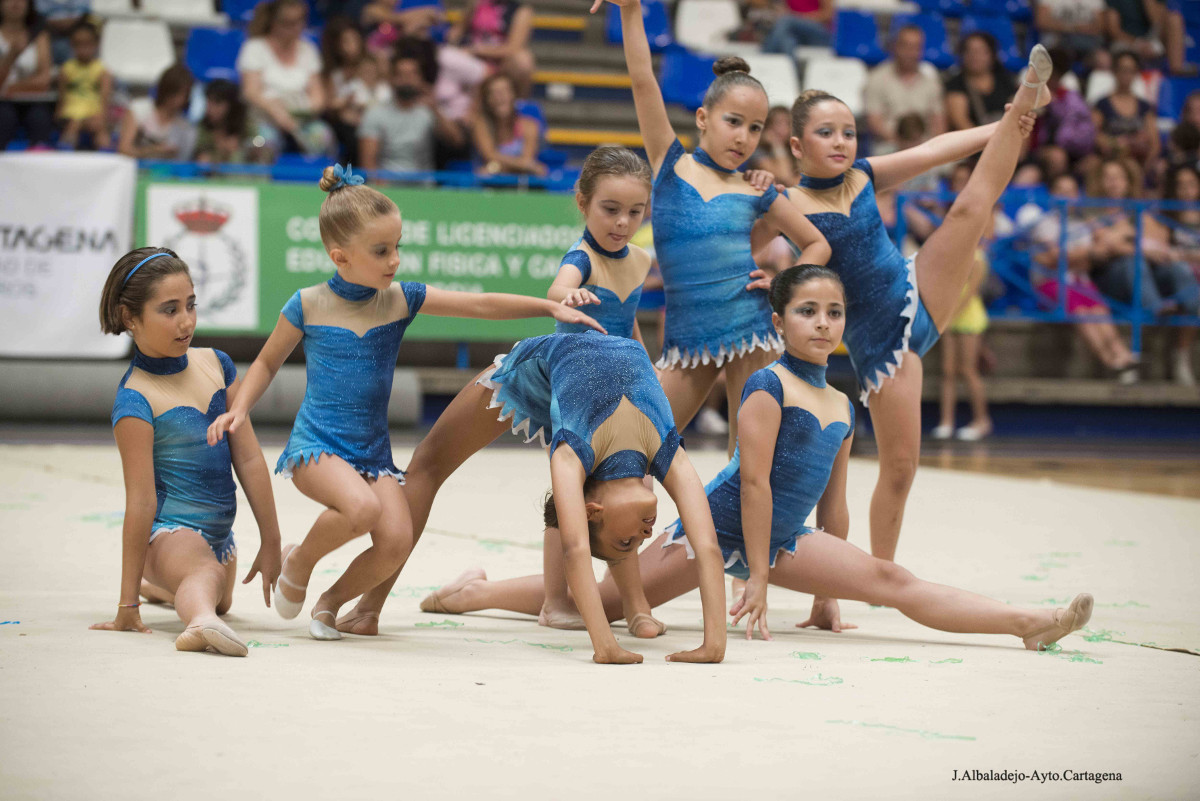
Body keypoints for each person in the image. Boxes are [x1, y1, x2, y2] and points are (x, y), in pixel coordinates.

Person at [419, 266, 1095, 653]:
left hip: (785, 538)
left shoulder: (842, 401)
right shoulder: (769, 387)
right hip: (723, 523)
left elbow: (834, 505)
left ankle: (1027, 624)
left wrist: (827, 590)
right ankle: (473, 594)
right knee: (600, 599)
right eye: (807, 311)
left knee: (890, 575)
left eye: (834, 312)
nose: (824, 323)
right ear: (781, 323)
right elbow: (753, 484)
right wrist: (762, 580)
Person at [205, 165, 606, 641]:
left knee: (396, 540)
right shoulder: (307, 304)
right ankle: (302, 559)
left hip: (371, 455)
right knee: (361, 510)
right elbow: (268, 363)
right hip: (318, 447)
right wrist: (241, 406)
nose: (394, 260)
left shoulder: (399, 300)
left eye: (397, 246)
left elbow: (477, 305)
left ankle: (332, 602)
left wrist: (547, 307)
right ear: (341, 256)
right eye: (381, 251)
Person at [752, 46, 1049, 561]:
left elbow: (937, 149)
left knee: (969, 213)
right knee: (901, 467)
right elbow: (741, 245)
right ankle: (878, 574)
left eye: (848, 131)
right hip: (879, 341)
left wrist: (1006, 124)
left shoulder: (864, 174)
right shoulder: (788, 204)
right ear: (797, 146)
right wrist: (757, 263)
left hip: (913, 289)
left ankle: (1026, 94)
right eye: (826, 133)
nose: (841, 142)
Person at [343, 330, 731, 664]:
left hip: (545, 371)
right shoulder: (666, 452)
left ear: (593, 511)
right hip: (551, 369)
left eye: (625, 541)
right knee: (427, 465)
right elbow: (707, 545)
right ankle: (368, 608)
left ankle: (371, 608)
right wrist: (711, 643)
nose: (645, 538)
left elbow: (575, 549)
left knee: (428, 463)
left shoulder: (571, 453)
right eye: (632, 544)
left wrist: (607, 646)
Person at [600, 0, 833, 460]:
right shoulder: (672, 166)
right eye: (733, 122)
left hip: (751, 329)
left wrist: (787, 286)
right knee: (635, 448)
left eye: (755, 128)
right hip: (688, 340)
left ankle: (743, 535)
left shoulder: (756, 189)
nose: (743, 137)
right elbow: (644, 80)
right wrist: (630, 11)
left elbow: (816, 242)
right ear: (704, 118)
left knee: (750, 462)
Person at [92, 247, 283, 657]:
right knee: (204, 575)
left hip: (219, 537)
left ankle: (170, 586)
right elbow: (141, 501)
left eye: (191, 305)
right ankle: (199, 623)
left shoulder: (216, 364)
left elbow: (248, 458)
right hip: (168, 532)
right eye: (169, 310)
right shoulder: (135, 399)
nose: (186, 321)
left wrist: (271, 538)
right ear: (130, 318)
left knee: (220, 593)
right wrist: (128, 606)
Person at [1017, 173, 1141, 383]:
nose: (1066, 196)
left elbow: (1082, 260)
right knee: (1083, 311)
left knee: (1100, 309)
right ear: (1052, 195)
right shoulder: (1043, 223)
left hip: (1079, 281)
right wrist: (1081, 253)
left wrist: (1070, 255)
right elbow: (1052, 259)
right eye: (1061, 191)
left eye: (1071, 191)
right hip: (1050, 284)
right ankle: (1111, 362)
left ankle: (1123, 355)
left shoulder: (1081, 225)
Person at [237, 0, 335, 159]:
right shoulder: (254, 48)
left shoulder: (308, 50)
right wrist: (276, 112)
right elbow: (251, 91)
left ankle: (316, 181)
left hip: (302, 119)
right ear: (274, 22)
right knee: (261, 143)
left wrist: (301, 115)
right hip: (265, 117)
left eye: (299, 22)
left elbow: (318, 96)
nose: (295, 28)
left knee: (323, 136)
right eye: (288, 23)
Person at [359, 50, 462, 173]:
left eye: (412, 74)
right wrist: (380, 188)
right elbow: (368, 163)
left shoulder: (428, 112)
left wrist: (435, 109)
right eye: (401, 74)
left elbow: (456, 140)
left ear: (420, 79)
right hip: (388, 186)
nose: (407, 79)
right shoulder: (375, 113)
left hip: (423, 187)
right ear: (392, 79)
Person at [932, 248, 992, 441]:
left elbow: (970, 292)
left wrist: (950, 316)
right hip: (950, 317)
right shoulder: (952, 252)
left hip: (968, 318)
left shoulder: (977, 258)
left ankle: (982, 421)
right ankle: (946, 422)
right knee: (948, 371)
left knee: (968, 370)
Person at [863, 24, 945, 155]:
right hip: (889, 146)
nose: (910, 53)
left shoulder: (931, 81)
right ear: (895, 47)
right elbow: (874, 122)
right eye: (905, 46)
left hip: (925, 146)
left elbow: (938, 122)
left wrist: (925, 145)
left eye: (915, 48)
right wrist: (903, 144)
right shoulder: (876, 78)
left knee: (956, 167)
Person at [447, 0, 535, 97]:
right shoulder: (477, 4)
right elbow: (458, 30)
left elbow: (513, 48)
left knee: (523, 60)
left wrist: (478, 50)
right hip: (471, 58)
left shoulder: (521, 11)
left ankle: (519, 102)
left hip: (499, 60)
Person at [0, 0, 53, 150]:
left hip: (33, 100)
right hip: (2, 104)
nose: (16, 3)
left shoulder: (39, 36)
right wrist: (11, 55)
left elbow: (44, 80)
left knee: (39, 118)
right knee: (5, 117)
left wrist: (10, 88)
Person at [117, 64, 197, 161]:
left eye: (184, 96)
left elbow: (183, 160)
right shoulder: (139, 109)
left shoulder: (184, 127)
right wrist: (153, 150)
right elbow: (123, 150)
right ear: (165, 90)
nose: (179, 100)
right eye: (175, 94)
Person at [471, 72, 543, 176]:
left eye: (504, 91)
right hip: (490, 184)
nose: (499, 97)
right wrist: (524, 165)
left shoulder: (529, 125)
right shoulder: (480, 124)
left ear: (513, 95)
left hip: (521, 182)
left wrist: (496, 167)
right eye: (493, 93)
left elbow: (527, 160)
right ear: (487, 99)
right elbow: (490, 155)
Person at [944, 32, 1019, 131]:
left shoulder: (1006, 81)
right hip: (971, 143)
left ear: (992, 54)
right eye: (969, 51)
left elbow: (1018, 116)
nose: (975, 56)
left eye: (981, 51)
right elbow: (961, 124)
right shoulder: (955, 85)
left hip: (1005, 138)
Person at [55, 20, 109, 150]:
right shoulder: (66, 68)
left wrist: (103, 118)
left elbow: (105, 98)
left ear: (96, 44)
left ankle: (106, 157)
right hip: (71, 112)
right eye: (78, 44)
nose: (83, 48)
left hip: (94, 112)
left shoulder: (102, 70)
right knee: (74, 124)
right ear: (72, 45)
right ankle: (66, 153)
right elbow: (61, 96)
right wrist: (58, 114)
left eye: (87, 44)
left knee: (100, 129)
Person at [195, 78, 254, 165]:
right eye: (209, 102)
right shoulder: (201, 128)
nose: (210, 109)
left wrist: (241, 149)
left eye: (217, 103)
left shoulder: (247, 127)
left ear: (231, 105)